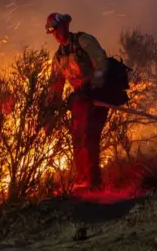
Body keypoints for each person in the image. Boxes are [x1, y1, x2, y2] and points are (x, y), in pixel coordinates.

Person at [44, 13, 120, 191]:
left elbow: (101, 63)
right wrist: (50, 110)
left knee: (88, 134)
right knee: (77, 137)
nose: (56, 33)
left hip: (99, 94)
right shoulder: (58, 58)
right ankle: (83, 179)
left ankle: (93, 181)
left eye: (57, 28)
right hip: (80, 98)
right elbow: (55, 86)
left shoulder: (84, 41)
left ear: (66, 26)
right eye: (52, 31)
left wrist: (94, 86)